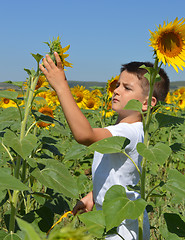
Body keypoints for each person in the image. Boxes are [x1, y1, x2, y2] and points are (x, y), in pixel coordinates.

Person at [39, 53, 170, 240]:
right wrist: (94, 195)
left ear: (146, 103)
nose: (117, 91)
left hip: (122, 228)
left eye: (127, 88)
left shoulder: (129, 132)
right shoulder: (123, 130)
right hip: (116, 218)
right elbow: (118, 173)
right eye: (117, 85)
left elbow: (84, 135)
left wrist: (61, 87)